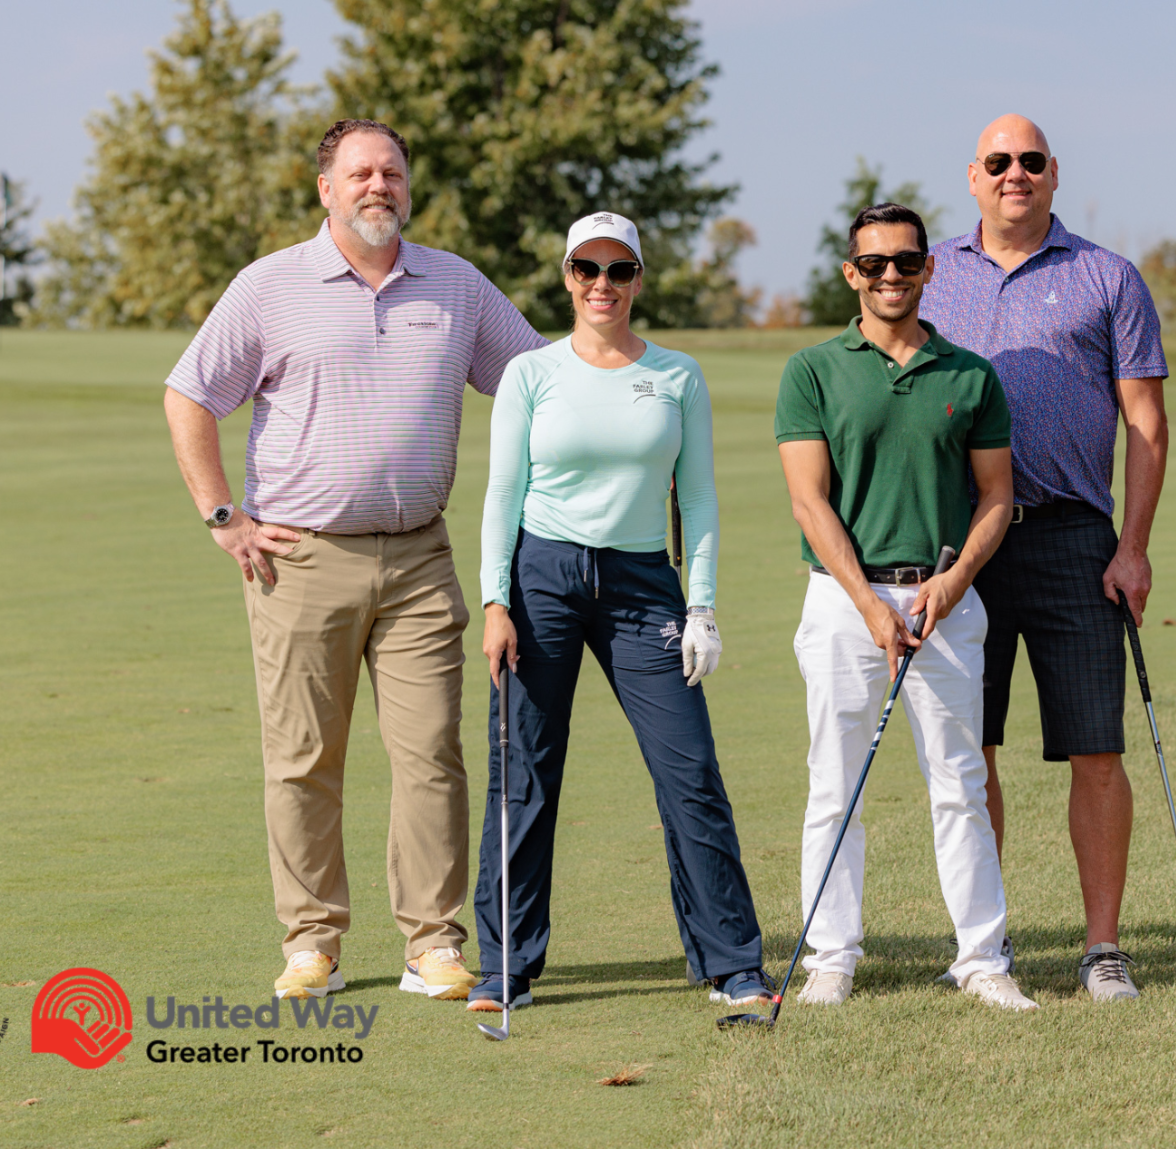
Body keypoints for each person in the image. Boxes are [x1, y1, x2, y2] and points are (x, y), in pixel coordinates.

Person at [163, 119, 545, 1002]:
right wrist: (223, 515)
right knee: (303, 758)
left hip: (420, 560)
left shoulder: (456, 285)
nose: (379, 185)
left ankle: (433, 945)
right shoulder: (270, 286)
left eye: (393, 173)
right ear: (326, 189)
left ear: (408, 188)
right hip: (301, 560)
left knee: (432, 756)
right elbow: (190, 394)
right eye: (360, 173)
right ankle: (312, 944)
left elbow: (533, 381)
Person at [471, 212, 772, 1014]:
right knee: (523, 773)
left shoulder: (678, 375)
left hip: (644, 587)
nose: (601, 285)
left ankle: (732, 961)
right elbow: (503, 493)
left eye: (619, 270)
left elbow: (699, 497)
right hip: (541, 580)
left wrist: (701, 604)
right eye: (585, 269)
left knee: (691, 772)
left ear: (639, 279)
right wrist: (495, 601)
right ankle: (506, 967)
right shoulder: (532, 374)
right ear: (566, 277)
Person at [919, 113, 1171, 1002]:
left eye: (1030, 161)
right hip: (961, 549)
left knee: (1096, 750)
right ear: (974, 177)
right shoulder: (931, 274)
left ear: (1054, 174)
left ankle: (1103, 947)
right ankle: (985, 947)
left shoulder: (1108, 277)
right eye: (999, 162)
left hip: (1074, 538)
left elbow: (1145, 422)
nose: (1014, 174)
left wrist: (1133, 547)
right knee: (968, 753)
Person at [774, 202, 1034, 1010]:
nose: (891, 275)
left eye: (907, 262)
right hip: (841, 602)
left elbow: (997, 498)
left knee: (959, 780)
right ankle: (832, 956)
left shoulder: (969, 374)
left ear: (929, 270)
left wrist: (951, 589)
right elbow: (810, 504)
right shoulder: (813, 371)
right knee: (834, 784)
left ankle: (981, 958)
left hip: (944, 599)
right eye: (875, 263)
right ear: (852, 273)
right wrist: (870, 604)